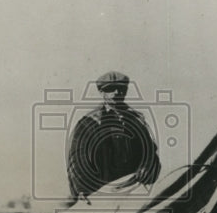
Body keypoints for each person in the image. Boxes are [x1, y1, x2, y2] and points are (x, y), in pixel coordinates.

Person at [66, 70, 161, 200]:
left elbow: (149, 152)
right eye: (111, 89)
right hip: (100, 192)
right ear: (101, 92)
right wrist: (83, 190)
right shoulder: (89, 123)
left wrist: (148, 168)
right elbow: (77, 159)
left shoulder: (136, 121)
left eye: (121, 88)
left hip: (132, 190)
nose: (116, 93)